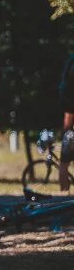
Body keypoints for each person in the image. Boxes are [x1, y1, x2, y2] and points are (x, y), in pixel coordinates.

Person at [58, 54, 74, 191]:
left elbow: (68, 120)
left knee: (63, 166)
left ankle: (63, 193)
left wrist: (64, 132)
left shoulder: (68, 94)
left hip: (71, 135)